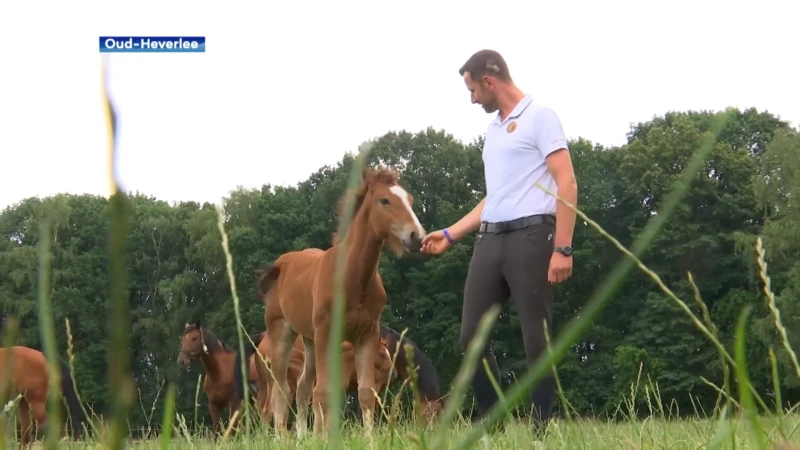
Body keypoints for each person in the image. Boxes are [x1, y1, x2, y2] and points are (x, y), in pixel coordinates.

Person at [421, 49, 578, 434]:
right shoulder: (493, 132)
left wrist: (563, 247)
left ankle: (542, 433)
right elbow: (495, 196)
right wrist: (449, 234)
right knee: (470, 337)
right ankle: (495, 425)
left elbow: (567, 183)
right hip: (490, 240)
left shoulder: (540, 117)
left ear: (489, 81)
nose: (472, 99)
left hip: (532, 237)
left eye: (472, 90)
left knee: (535, 339)